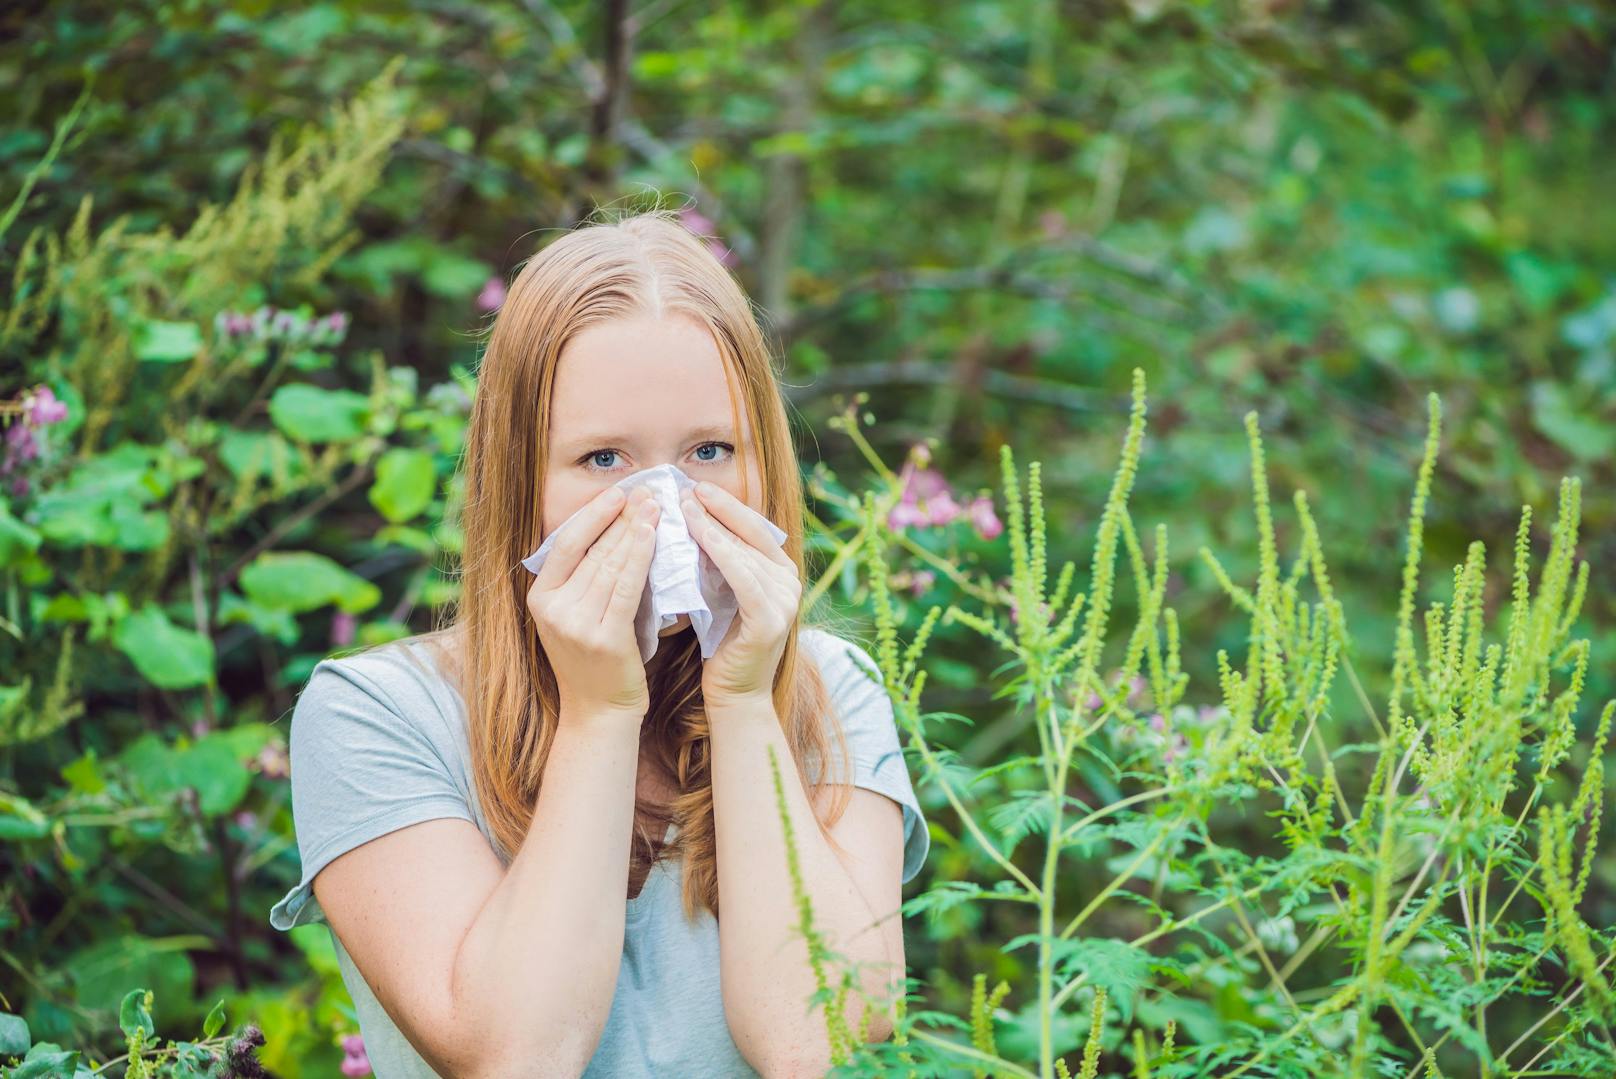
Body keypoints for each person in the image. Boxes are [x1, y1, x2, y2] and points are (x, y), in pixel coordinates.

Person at [267, 207, 931, 1078]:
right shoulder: (375, 716)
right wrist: (599, 711)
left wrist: (742, 704)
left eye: (708, 449)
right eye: (604, 460)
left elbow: (824, 1046)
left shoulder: (831, 692)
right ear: (520, 481)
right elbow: (514, 1055)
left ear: (764, 465)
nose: (663, 502)